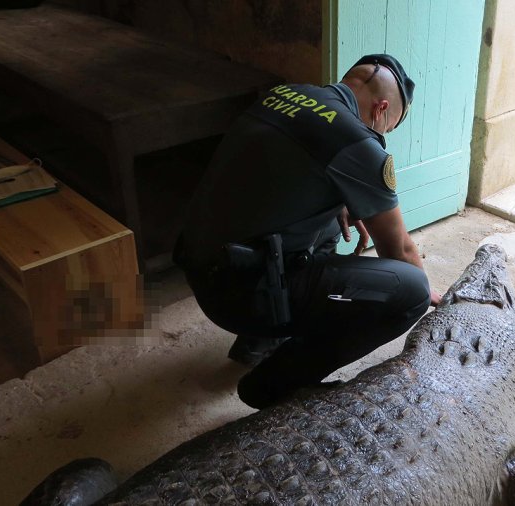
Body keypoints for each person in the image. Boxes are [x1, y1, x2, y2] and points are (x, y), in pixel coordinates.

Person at [173, 54, 441, 409]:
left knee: (331, 220)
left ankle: (257, 343)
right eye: (389, 126)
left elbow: (275, 179)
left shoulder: (284, 94)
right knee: (411, 292)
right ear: (381, 109)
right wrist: (433, 296)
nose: (383, 134)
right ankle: (271, 386)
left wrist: (342, 200)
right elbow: (400, 250)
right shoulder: (357, 142)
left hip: (198, 266)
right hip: (237, 298)